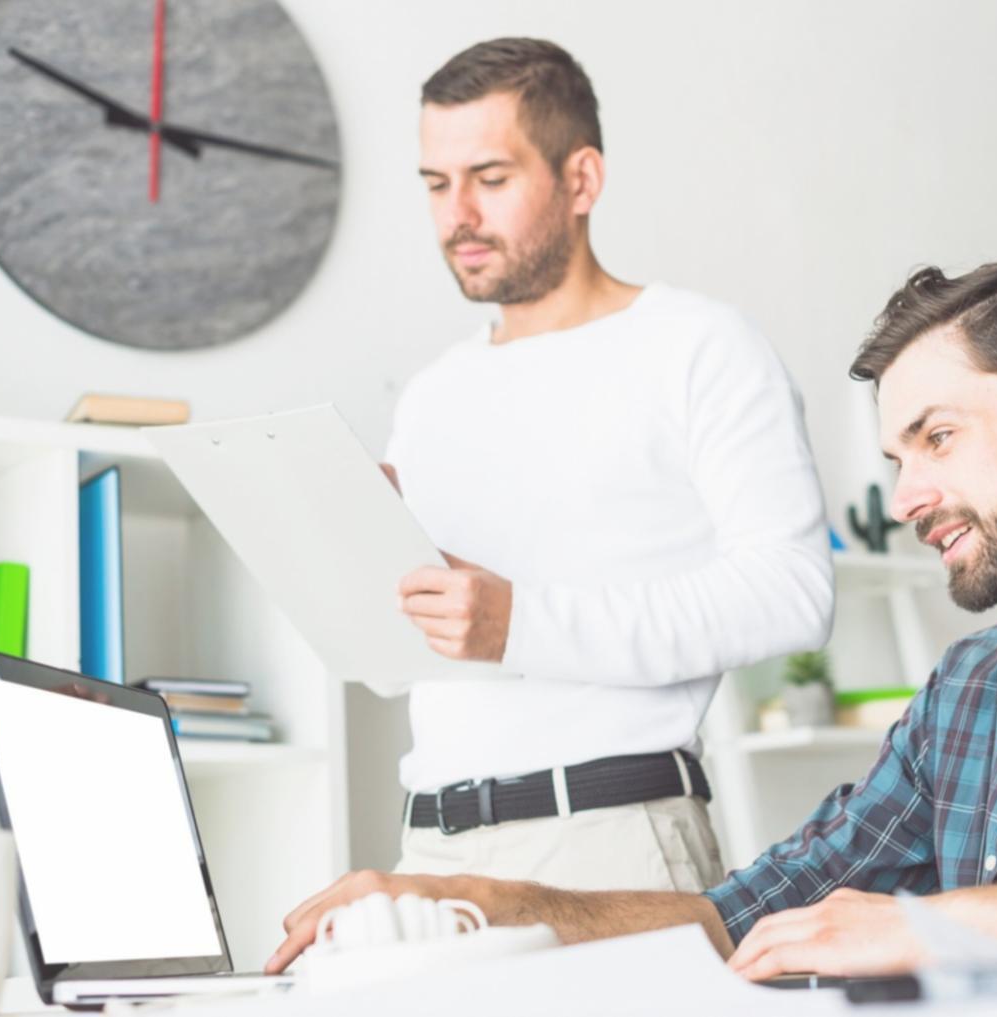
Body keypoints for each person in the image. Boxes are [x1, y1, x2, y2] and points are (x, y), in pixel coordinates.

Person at [268, 261, 997, 978]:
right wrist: (477, 901)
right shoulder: (972, 695)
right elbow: (739, 913)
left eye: (938, 437)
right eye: (898, 460)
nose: (908, 498)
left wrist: (936, 927)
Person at [379, 38, 835, 893]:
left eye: (490, 178)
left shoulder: (699, 346)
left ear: (581, 179)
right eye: (436, 185)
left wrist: (520, 622)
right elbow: (407, 655)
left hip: (612, 841)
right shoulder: (430, 394)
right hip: (430, 846)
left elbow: (792, 592)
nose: (456, 215)